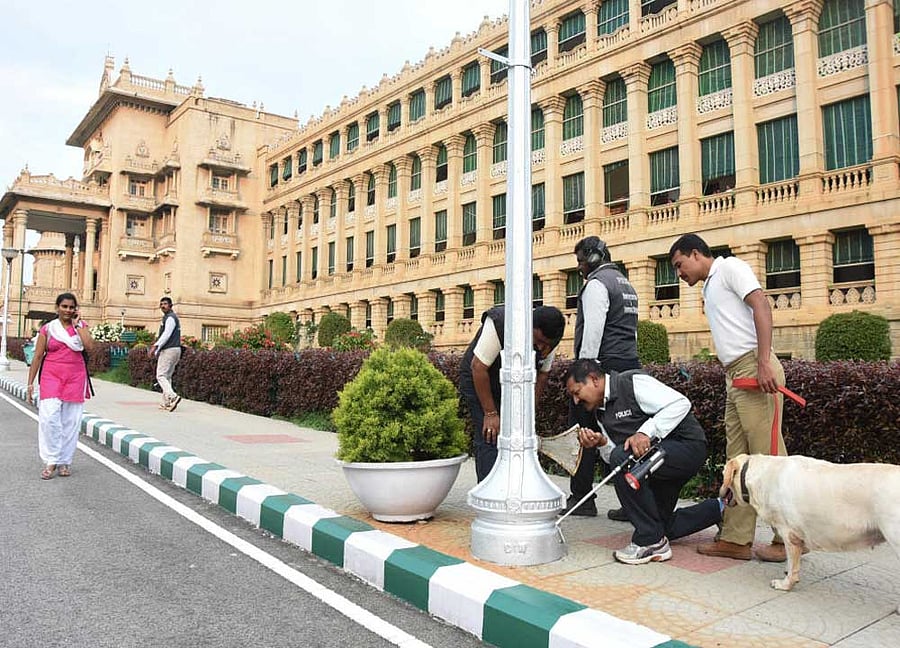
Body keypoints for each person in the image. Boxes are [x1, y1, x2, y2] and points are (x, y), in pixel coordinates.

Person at [669, 233, 788, 563]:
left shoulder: (731, 267)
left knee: (769, 460)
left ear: (696, 253)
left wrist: (763, 362)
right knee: (737, 462)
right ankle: (736, 539)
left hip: (754, 367)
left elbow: (761, 305)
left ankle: (791, 538)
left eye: (680, 265)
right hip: (735, 375)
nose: (679, 274)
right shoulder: (710, 285)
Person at [564, 358, 723, 564]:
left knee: (623, 459)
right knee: (659, 524)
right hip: (655, 463)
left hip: (686, 447)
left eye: (577, 392)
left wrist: (644, 432)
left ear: (594, 379)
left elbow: (680, 403)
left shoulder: (631, 382)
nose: (576, 401)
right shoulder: (601, 413)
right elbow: (614, 455)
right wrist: (601, 443)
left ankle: (650, 542)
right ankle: (719, 509)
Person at [562, 236, 640, 520]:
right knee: (624, 435)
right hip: (628, 366)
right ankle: (635, 503)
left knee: (582, 433)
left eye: (581, 261)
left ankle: (582, 499)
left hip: (600, 368)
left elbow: (593, 331)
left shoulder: (596, 284)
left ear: (593, 258)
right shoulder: (625, 283)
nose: (580, 268)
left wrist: (583, 374)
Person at [459, 305, 566, 482]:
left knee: (518, 435)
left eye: (547, 345)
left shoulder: (549, 340)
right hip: (478, 377)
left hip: (510, 380)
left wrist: (528, 412)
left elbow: (541, 376)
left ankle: (512, 486)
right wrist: (490, 413)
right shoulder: (500, 323)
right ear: (528, 325)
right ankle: (489, 492)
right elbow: (478, 368)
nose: (541, 348)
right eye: (537, 340)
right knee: (490, 435)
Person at [25, 292, 95, 480]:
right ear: (57, 308)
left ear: (75, 309)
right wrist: (30, 383)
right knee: (49, 418)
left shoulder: (80, 326)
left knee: (70, 421)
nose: (68, 310)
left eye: (71, 307)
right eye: (64, 306)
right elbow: (38, 356)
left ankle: (64, 461)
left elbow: (89, 346)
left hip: (75, 377)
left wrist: (78, 325)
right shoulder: (48, 329)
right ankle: (51, 460)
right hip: (51, 376)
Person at [149, 296, 182, 412]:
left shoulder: (170, 318)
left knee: (160, 375)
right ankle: (166, 402)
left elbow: (166, 334)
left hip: (170, 349)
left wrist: (155, 346)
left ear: (170, 306)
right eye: (161, 304)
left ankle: (173, 396)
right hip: (174, 349)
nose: (163, 306)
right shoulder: (169, 317)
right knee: (167, 376)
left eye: (165, 304)